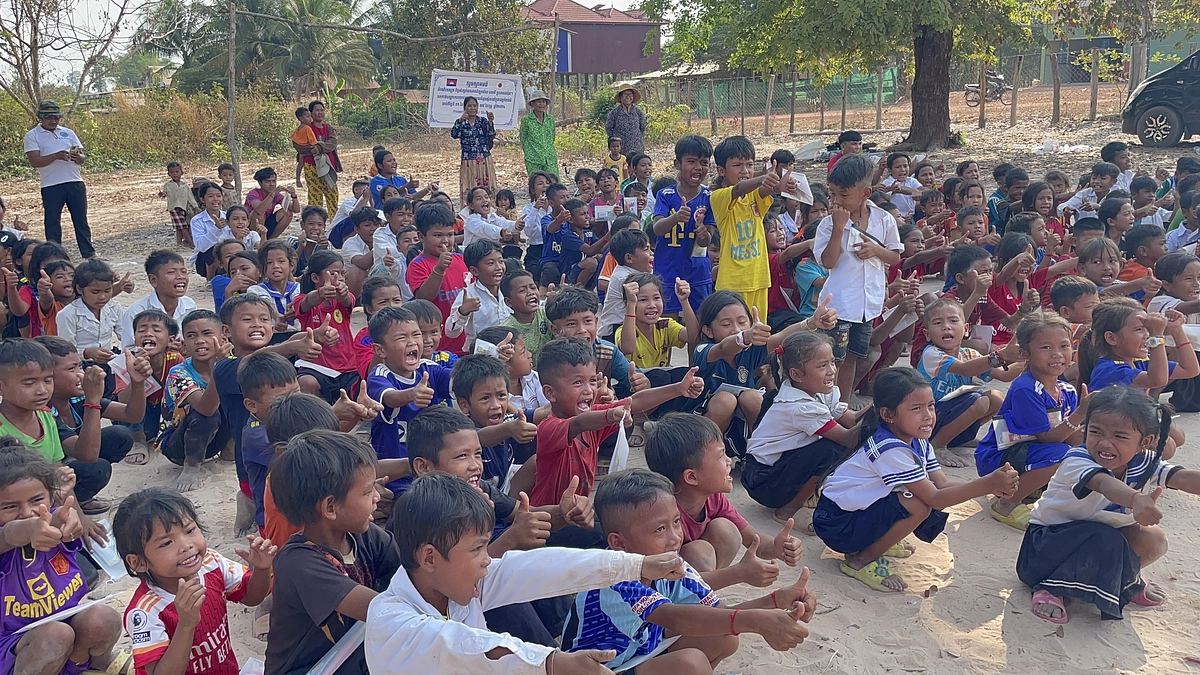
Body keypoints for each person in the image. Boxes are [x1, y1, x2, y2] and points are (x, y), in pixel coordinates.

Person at [364, 473, 687, 674]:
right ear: (430, 558)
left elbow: (543, 567)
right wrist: (553, 663)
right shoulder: (391, 622)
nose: (487, 560)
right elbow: (469, 647)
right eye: (477, 549)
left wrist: (635, 565)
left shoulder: (452, 586)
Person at [561, 468, 817, 672]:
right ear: (619, 543)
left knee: (724, 636)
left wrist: (777, 601)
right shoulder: (614, 576)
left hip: (636, 655)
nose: (675, 538)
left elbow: (720, 614)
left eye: (676, 522)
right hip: (595, 669)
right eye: (660, 529)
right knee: (690, 664)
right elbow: (674, 618)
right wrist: (758, 623)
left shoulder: (668, 563)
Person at [813, 368, 1020, 592]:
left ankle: (877, 540)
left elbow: (942, 485)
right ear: (888, 415)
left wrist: (990, 487)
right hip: (836, 523)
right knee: (918, 504)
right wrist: (987, 483)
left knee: (917, 498)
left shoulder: (917, 439)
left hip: (852, 513)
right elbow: (936, 497)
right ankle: (860, 560)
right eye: (917, 408)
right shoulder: (890, 449)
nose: (928, 415)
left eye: (931, 405)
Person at [1016, 387, 1200, 623]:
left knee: (1154, 540)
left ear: (1145, 442)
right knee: (1106, 538)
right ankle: (1051, 587)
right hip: (1047, 547)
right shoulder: (1077, 460)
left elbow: (1182, 478)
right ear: (1085, 430)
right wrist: (1136, 499)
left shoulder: (1145, 463)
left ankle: (1123, 579)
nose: (1105, 443)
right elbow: (1103, 483)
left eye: (1119, 436)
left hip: (1101, 540)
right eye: (1096, 431)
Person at [262, 429, 401, 675]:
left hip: (350, 656)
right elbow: (383, 611)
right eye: (367, 491)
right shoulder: (299, 563)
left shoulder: (364, 535)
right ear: (330, 507)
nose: (377, 497)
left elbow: (408, 569)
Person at [113, 488, 276, 675]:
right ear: (139, 562)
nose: (186, 545)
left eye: (190, 530)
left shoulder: (211, 563)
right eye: (166, 543)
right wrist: (186, 624)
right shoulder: (145, 611)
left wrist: (262, 569)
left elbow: (251, 598)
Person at [530, 337, 703, 507]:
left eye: (592, 381)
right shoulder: (549, 427)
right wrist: (611, 414)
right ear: (550, 393)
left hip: (577, 511)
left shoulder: (592, 417)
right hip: (545, 517)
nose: (589, 390)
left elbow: (634, 402)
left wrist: (678, 389)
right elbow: (578, 424)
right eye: (577, 382)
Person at [0, 440, 123, 675]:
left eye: (37, 500)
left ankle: (93, 667)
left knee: (103, 619)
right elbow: (10, 534)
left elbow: (57, 518)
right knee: (55, 636)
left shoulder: (56, 519)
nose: (27, 513)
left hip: (64, 624)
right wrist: (29, 528)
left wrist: (67, 517)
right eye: (9, 507)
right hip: (12, 645)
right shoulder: (7, 537)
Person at [645, 414, 803, 591]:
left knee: (726, 530)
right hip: (663, 588)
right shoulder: (662, 513)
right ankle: (698, 599)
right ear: (692, 477)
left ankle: (705, 596)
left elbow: (755, 542)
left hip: (688, 581)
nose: (729, 461)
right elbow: (663, 579)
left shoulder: (713, 498)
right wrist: (739, 573)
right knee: (699, 551)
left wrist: (777, 547)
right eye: (721, 455)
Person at [972, 314, 1087, 531]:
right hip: (998, 459)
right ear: (1025, 353)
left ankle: (1039, 492)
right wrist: (1080, 414)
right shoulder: (1026, 388)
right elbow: (1048, 438)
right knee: (1063, 454)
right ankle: (1007, 504)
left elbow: (1071, 435)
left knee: (1084, 450)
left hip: (1030, 454)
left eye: (1064, 346)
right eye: (1046, 347)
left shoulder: (1067, 390)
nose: (1057, 354)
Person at [744, 332, 862, 523]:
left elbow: (853, 419)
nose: (831, 370)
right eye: (822, 366)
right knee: (834, 449)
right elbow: (849, 438)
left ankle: (808, 496)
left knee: (837, 441)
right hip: (762, 481)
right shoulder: (800, 406)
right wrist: (885, 410)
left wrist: (881, 406)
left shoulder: (817, 392)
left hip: (777, 469)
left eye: (832, 362)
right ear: (797, 375)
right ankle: (789, 509)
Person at [816, 154, 903, 404]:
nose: (836, 201)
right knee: (833, 358)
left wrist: (876, 251)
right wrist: (838, 228)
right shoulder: (828, 225)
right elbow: (828, 262)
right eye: (832, 194)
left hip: (866, 304)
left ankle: (842, 404)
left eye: (843, 195)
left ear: (865, 193)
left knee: (853, 356)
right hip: (839, 304)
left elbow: (895, 255)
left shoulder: (883, 219)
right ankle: (826, 404)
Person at [917, 299, 1023, 464]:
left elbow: (1004, 375)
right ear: (927, 334)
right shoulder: (931, 354)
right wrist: (1003, 355)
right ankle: (938, 445)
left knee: (996, 397)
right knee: (980, 401)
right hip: (928, 418)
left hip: (950, 413)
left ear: (966, 329)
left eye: (953, 321)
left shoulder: (968, 354)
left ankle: (958, 436)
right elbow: (966, 369)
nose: (946, 327)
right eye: (938, 323)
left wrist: (1029, 357)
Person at [365, 306, 454, 494]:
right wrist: (411, 394)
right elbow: (389, 398)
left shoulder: (428, 368)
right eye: (401, 337)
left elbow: (459, 381)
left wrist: (492, 360)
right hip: (395, 480)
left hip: (433, 472)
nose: (412, 342)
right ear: (380, 350)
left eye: (416, 334)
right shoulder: (379, 376)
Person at [709, 136, 795, 317]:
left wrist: (779, 186)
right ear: (721, 170)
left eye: (749, 165)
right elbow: (739, 189)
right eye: (737, 165)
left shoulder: (754, 195)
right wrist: (761, 178)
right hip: (732, 282)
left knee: (758, 328)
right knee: (736, 330)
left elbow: (766, 190)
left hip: (759, 278)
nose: (745, 170)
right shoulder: (718, 197)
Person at [160, 310, 229, 491]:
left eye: (207, 333)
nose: (199, 340)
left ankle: (230, 450)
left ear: (223, 337)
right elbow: (206, 409)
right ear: (184, 344)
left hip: (212, 441)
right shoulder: (179, 373)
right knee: (207, 415)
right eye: (191, 335)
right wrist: (219, 370)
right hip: (178, 444)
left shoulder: (229, 362)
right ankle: (191, 466)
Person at [652, 135, 716, 315]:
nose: (698, 167)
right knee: (667, 321)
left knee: (699, 319)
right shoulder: (666, 194)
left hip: (698, 271)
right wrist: (676, 217)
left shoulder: (710, 197)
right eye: (691, 161)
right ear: (677, 164)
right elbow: (657, 228)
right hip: (667, 270)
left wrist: (703, 233)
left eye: (704, 162)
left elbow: (706, 241)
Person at [22, 100, 95, 259]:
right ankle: (54, 255)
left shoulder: (68, 133)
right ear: (41, 118)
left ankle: (89, 254)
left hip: (74, 181)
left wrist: (78, 157)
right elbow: (34, 161)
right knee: (53, 222)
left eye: (56, 117)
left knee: (81, 220)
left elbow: (82, 156)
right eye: (49, 117)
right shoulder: (32, 135)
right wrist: (56, 156)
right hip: (51, 184)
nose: (53, 121)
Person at [293, 251, 359, 403]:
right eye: (334, 273)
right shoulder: (301, 300)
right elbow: (307, 301)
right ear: (315, 278)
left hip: (348, 366)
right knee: (306, 382)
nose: (340, 278)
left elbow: (348, 300)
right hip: (316, 367)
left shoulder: (344, 299)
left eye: (342, 273)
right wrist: (321, 293)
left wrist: (343, 295)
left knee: (366, 382)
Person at [407, 203, 470, 354]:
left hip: (466, 341)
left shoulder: (461, 260)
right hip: (439, 346)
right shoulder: (418, 265)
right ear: (421, 236)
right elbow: (424, 297)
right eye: (438, 235)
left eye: (450, 235)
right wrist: (439, 269)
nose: (445, 240)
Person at [616, 273, 698, 369]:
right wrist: (631, 303)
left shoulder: (665, 325)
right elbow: (628, 348)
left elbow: (694, 337)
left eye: (656, 298)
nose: (652, 305)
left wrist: (684, 301)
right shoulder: (623, 331)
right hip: (635, 377)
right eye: (643, 300)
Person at [120, 250, 197, 348]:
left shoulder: (189, 305)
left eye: (184, 272)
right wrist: (163, 347)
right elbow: (129, 349)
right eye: (171, 272)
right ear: (153, 280)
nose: (180, 277)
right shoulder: (136, 312)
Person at [445, 239, 512, 349]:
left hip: (509, 350)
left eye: (501, 261)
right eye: (491, 263)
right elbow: (451, 333)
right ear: (474, 271)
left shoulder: (509, 289)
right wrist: (463, 312)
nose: (499, 267)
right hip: (482, 353)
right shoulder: (469, 295)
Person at [293, 102, 342, 214]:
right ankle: (315, 220)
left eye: (322, 110)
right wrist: (312, 149)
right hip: (311, 166)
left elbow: (333, 143)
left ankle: (334, 221)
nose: (320, 113)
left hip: (328, 165)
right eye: (317, 110)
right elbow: (297, 145)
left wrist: (319, 147)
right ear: (310, 113)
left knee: (332, 194)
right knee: (315, 196)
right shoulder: (305, 128)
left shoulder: (328, 128)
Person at [451, 96, 498, 204]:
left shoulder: (483, 121)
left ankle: (489, 206)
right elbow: (454, 134)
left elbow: (491, 136)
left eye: (474, 106)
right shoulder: (461, 123)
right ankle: (470, 208)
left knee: (487, 185)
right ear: (464, 108)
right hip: (469, 161)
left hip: (484, 159)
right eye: (469, 106)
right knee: (470, 185)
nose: (472, 108)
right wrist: (460, 121)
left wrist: (491, 123)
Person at [248, 240, 302, 334]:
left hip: (299, 335)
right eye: (269, 262)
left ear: (291, 265)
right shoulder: (255, 290)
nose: (275, 266)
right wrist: (276, 316)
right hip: (271, 337)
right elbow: (265, 302)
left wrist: (296, 308)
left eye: (281, 261)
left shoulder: (298, 288)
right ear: (262, 268)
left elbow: (299, 300)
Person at [500, 268, 553, 361]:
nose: (530, 293)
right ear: (508, 302)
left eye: (533, 288)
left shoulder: (547, 313)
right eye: (522, 291)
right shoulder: (506, 331)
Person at [245, 167, 301, 239]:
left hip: (266, 223)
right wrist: (273, 194)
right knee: (258, 214)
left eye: (274, 181)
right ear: (260, 183)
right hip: (250, 226)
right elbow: (259, 210)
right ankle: (256, 240)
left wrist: (294, 196)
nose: (271, 184)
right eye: (268, 182)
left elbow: (296, 210)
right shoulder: (254, 194)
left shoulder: (277, 196)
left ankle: (271, 240)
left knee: (287, 213)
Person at [519, 89, 557, 178]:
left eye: (543, 102)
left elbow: (552, 137)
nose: (541, 104)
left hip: (549, 158)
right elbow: (523, 139)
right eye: (539, 102)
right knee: (537, 182)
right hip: (533, 159)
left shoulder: (550, 119)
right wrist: (529, 152)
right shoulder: (526, 120)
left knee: (553, 182)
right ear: (533, 104)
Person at [161, 161, 198, 247]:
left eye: (177, 172)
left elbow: (190, 197)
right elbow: (164, 194)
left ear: (182, 172)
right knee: (184, 226)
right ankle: (191, 243)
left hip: (183, 208)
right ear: (169, 174)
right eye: (172, 172)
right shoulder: (168, 185)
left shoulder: (185, 185)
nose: (175, 174)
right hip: (173, 208)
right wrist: (162, 194)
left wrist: (196, 206)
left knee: (179, 227)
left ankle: (179, 244)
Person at [605, 83, 647, 156]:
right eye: (625, 95)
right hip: (620, 149)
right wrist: (616, 140)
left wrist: (636, 137)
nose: (628, 97)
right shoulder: (614, 113)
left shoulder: (638, 112)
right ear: (620, 97)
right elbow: (608, 128)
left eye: (630, 94)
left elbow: (643, 127)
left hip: (637, 147)